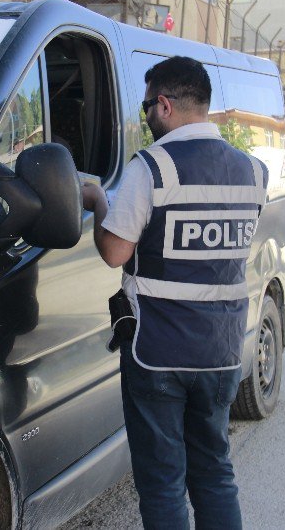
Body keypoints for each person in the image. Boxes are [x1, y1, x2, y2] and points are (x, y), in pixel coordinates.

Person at [81, 56, 268, 530]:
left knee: (163, 483)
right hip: (222, 351)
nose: (146, 118)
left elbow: (115, 252)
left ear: (163, 104)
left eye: (147, 107)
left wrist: (98, 201)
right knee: (214, 473)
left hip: (159, 352)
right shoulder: (253, 171)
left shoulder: (152, 168)